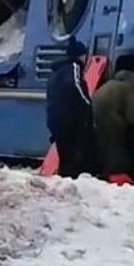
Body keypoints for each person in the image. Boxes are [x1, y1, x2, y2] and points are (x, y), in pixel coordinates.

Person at [45, 36, 96, 178]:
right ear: (80, 56)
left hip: (55, 120)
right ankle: (71, 182)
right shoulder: (74, 68)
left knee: (65, 157)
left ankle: (65, 182)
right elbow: (76, 88)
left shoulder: (56, 72)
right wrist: (88, 105)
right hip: (69, 121)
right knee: (75, 157)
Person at [92, 70, 134, 180]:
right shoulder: (131, 89)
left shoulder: (109, 85)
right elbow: (133, 117)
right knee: (117, 153)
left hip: (95, 117)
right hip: (111, 120)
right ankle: (115, 177)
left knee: (104, 150)